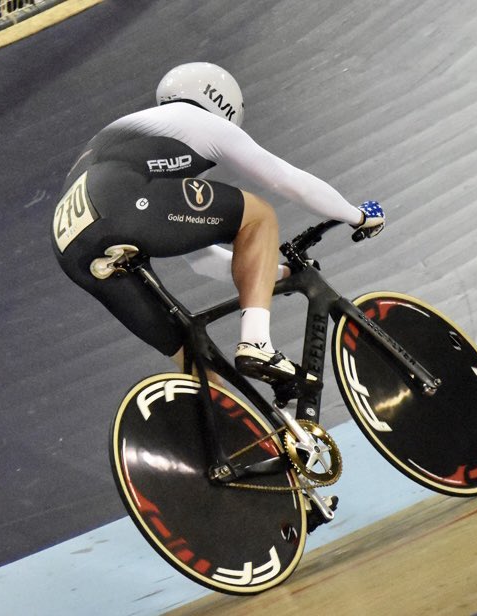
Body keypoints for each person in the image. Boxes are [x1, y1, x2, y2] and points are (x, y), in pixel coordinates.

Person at [52, 62, 385, 383]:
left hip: (71, 246)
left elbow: (202, 261)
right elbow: (286, 179)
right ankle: (256, 343)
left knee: (201, 371)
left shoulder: (144, 139)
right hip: (120, 203)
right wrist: (357, 215)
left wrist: (278, 273)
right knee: (258, 216)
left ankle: (229, 434)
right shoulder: (201, 121)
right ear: (225, 106)